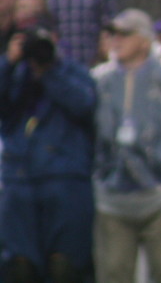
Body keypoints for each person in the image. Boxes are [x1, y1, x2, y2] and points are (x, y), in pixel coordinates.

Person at [92, 9, 161, 283]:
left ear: (144, 39)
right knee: (114, 271)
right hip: (112, 196)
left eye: (125, 34)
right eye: (113, 34)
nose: (116, 40)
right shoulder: (99, 80)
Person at [0, 25, 97, 283]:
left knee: (65, 267)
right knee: (19, 268)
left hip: (66, 177)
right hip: (18, 178)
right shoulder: (15, 75)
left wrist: (48, 72)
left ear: (56, 39)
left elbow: (83, 104)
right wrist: (8, 63)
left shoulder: (74, 71)